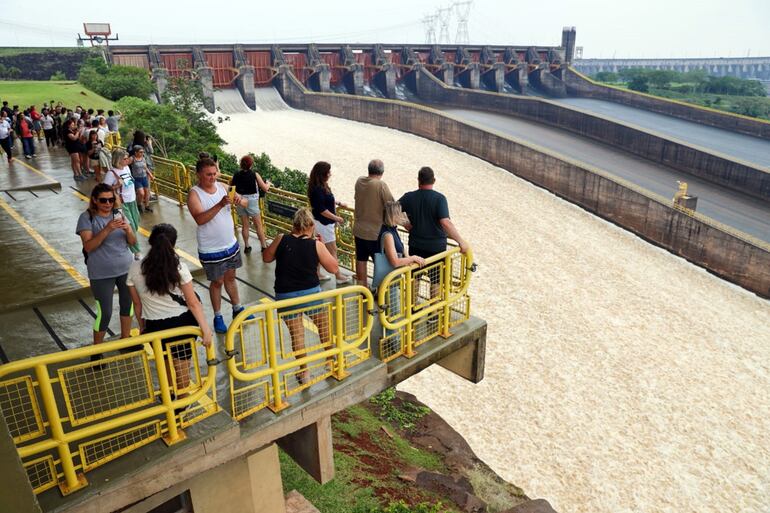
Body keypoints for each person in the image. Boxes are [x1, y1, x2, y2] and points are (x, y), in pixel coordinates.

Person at [127, 223, 212, 403]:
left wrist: (143, 326)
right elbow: (193, 302)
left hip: (154, 326)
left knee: (164, 361)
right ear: (172, 244)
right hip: (181, 325)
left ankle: (169, 397)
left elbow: (137, 303)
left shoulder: (135, 268)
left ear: (150, 242)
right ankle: (182, 400)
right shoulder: (179, 267)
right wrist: (205, 329)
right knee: (181, 366)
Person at [262, 208, 339, 385]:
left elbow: (266, 258)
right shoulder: (315, 245)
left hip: (285, 295)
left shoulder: (282, 238)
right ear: (311, 226)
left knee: (297, 335)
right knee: (323, 326)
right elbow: (334, 268)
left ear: (294, 225)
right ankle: (331, 361)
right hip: (310, 293)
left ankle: (304, 373)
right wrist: (319, 249)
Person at [187, 157, 250, 334]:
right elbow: (200, 219)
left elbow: (245, 202)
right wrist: (220, 204)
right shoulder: (194, 194)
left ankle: (237, 308)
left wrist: (239, 201)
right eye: (208, 174)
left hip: (230, 244)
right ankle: (217, 315)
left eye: (214, 173)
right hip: (211, 248)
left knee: (231, 278)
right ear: (198, 174)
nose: (212, 177)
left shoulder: (223, 186)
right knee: (217, 282)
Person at [76, 183, 137, 357]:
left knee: (127, 305)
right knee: (105, 312)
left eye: (111, 199)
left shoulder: (120, 214)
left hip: (125, 268)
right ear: (94, 200)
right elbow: (88, 246)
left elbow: (132, 242)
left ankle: (125, 340)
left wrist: (127, 229)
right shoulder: (86, 218)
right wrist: (108, 228)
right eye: (103, 200)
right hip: (101, 273)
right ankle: (97, 350)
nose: (108, 203)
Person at [399, 166, 469, 298]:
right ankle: (433, 315)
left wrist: (405, 224)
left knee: (415, 277)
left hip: (416, 244)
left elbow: (391, 211)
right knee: (436, 280)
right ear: (434, 180)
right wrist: (461, 242)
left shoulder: (409, 197)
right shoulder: (439, 199)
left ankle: (413, 310)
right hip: (436, 248)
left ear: (418, 180)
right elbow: (445, 222)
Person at [307, 161, 352, 284]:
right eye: (328, 172)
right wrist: (336, 218)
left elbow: (325, 200)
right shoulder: (318, 189)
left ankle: (318, 273)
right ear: (323, 174)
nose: (330, 174)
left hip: (321, 223)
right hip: (323, 224)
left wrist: (338, 203)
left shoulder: (319, 186)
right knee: (332, 250)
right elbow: (322, 210)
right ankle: (338, 276)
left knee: (318, 249)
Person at [353, 159, 393, 286]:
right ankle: (380, 291)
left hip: (359, 229)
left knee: (361, 259)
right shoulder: (380, 185)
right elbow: (392, 204)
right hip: (375, 232)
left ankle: (362, 289)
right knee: (380, 262)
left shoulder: (360, 181)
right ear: (382, 172)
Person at [103, 148, 141, 259]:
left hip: (132, 200)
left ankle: (129, 243)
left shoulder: (127, 169)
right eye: (124, 159)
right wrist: (116, 186)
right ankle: (136, 251)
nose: (127, 160)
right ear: (118, 160)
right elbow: (104, 190)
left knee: (136, 222)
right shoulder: (111, 174)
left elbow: (129, 183)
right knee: (131, 226)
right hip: (121, 203)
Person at [229, 155, 270, 253]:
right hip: (252, 201)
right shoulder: (254, 174)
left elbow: (231, 187)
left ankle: (247, 246)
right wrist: (268, 183)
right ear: (251, 165)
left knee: (245, 225)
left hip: (240, 200)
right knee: (258, 225)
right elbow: (264, 188)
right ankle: (264, 246)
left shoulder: (237, 174)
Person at [130, 145, 154, 213]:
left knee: (147, 193)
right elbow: (125, 164)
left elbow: (145, 167)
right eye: (140, 152)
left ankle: (147, 206)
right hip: (137, 178)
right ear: (136, 152)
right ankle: (139, 204)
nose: (142, 153)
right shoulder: (132, 159)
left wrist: (150, 175)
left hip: (144, 177)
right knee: (141, 193)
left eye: (143, 152)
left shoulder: (143, 158)